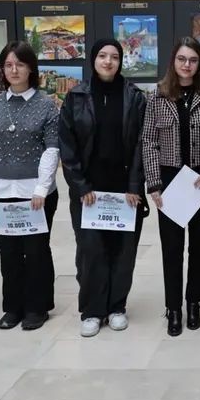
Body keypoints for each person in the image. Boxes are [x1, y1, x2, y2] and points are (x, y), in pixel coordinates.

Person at [59, 39, 148, 338]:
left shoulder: (134, 97)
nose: (108, 62)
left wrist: (135, 184)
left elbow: (141, 143)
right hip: (89, 192)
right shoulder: (76, 96)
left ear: (121, 62)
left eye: (114, 57)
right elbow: (67, 145)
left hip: (125, 191)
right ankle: (92, 310)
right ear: (93, 60)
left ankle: (117, 307)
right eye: (102, 56)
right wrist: (80, 185)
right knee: (91, 251)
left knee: (123, 251)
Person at [141, 38, 200, 337]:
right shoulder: (157, 95)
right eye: (181, 59)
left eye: (193, 60)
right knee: (172, 247)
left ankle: (193, 302)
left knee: (199, 246)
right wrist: (154, 183)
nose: (187, 65)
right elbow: (149, 141)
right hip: (169, 183)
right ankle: (173, 307)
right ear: (173, 62)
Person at [0, 41, 61, 331]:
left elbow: (52, 148)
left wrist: (41, 188)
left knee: (36, 251)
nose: (14, 70)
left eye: (20, 64)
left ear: (31, 69)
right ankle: (13, 307)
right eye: (8, 65)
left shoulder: (46, 104)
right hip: (2, 192)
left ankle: (37, 307)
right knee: (9, 251)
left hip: (36, 193)